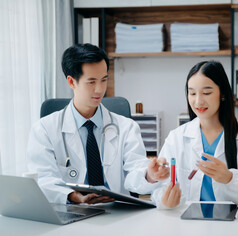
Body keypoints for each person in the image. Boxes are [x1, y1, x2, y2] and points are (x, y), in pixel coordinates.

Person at [27, 44, 168, 204]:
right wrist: (73, 196)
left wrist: (149, 175)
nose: (100, 89)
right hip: (71, 211)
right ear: (72, 82)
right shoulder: (44, 129)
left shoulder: (126, 127)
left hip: (117, 212)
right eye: (91, 82)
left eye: (104, 80)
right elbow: (44, 179)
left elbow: (134, 172)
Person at [151, 61, 238, 208]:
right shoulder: (176, 138)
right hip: (188, 226)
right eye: (192, 93)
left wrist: (230, 178)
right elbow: (158, 188)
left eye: (206, 93)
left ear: (222, 93)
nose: (198, 101)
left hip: (234, 227)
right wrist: (164, 200)